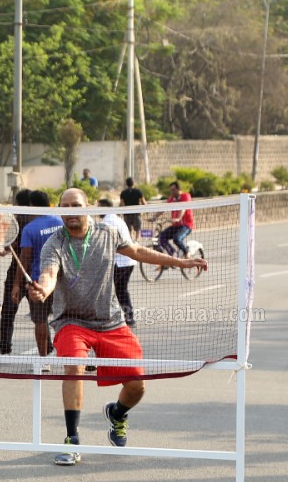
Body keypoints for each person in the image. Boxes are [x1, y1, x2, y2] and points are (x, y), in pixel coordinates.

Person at [27, 188, 207, 465]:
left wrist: (180, 261)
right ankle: (72, 439)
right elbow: (49, 273)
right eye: (65, 206)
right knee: (74, 365)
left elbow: (137, 251)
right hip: (71, 321)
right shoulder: (55, 242)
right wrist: (44, 290)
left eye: (76, 205)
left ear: (87, 208)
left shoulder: (108, 233)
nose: (71, 211)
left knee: (137, 384)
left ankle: (117, 413)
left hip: (110, 320)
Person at [13, 190, 64, 370]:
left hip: (38, 283)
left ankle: (44, 361)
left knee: (40, 321)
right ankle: (78, 358)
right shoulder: (60, 222)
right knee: (68, 321)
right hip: (62, 281)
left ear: (31, 206)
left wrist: (16, 284)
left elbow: (25, 258)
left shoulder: (30, 229)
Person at [0, 189, 34, 355]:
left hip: (16, 272)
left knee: (8, 313)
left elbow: (7, 246)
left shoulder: (16, 221)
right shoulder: (37, 220)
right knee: (40, 317)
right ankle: (46, 351)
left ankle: (5, 349)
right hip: (37, 271)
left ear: (19, 203)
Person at [99, 198, 136, 327]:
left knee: (119, 290)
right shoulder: (116, 219)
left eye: (99, 207)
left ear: (105, 208)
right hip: (124, 261)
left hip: (122, 261)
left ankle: (128, 317)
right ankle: (125, 316)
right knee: (119, 289)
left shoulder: (108, 222)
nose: (97, 210)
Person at [159, 181, 194, 258]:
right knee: (161, 237)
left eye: (173, 190)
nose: (171, 192)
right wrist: (154, 217)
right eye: (170, 190)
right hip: (175, 225)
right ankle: (172, 253)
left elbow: (183, 207)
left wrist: (178, 218)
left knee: (177, 239)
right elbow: (164, 208)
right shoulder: (172, 199)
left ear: (178, 189)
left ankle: (186, 252)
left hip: (186, 226)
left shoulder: (186, 196)